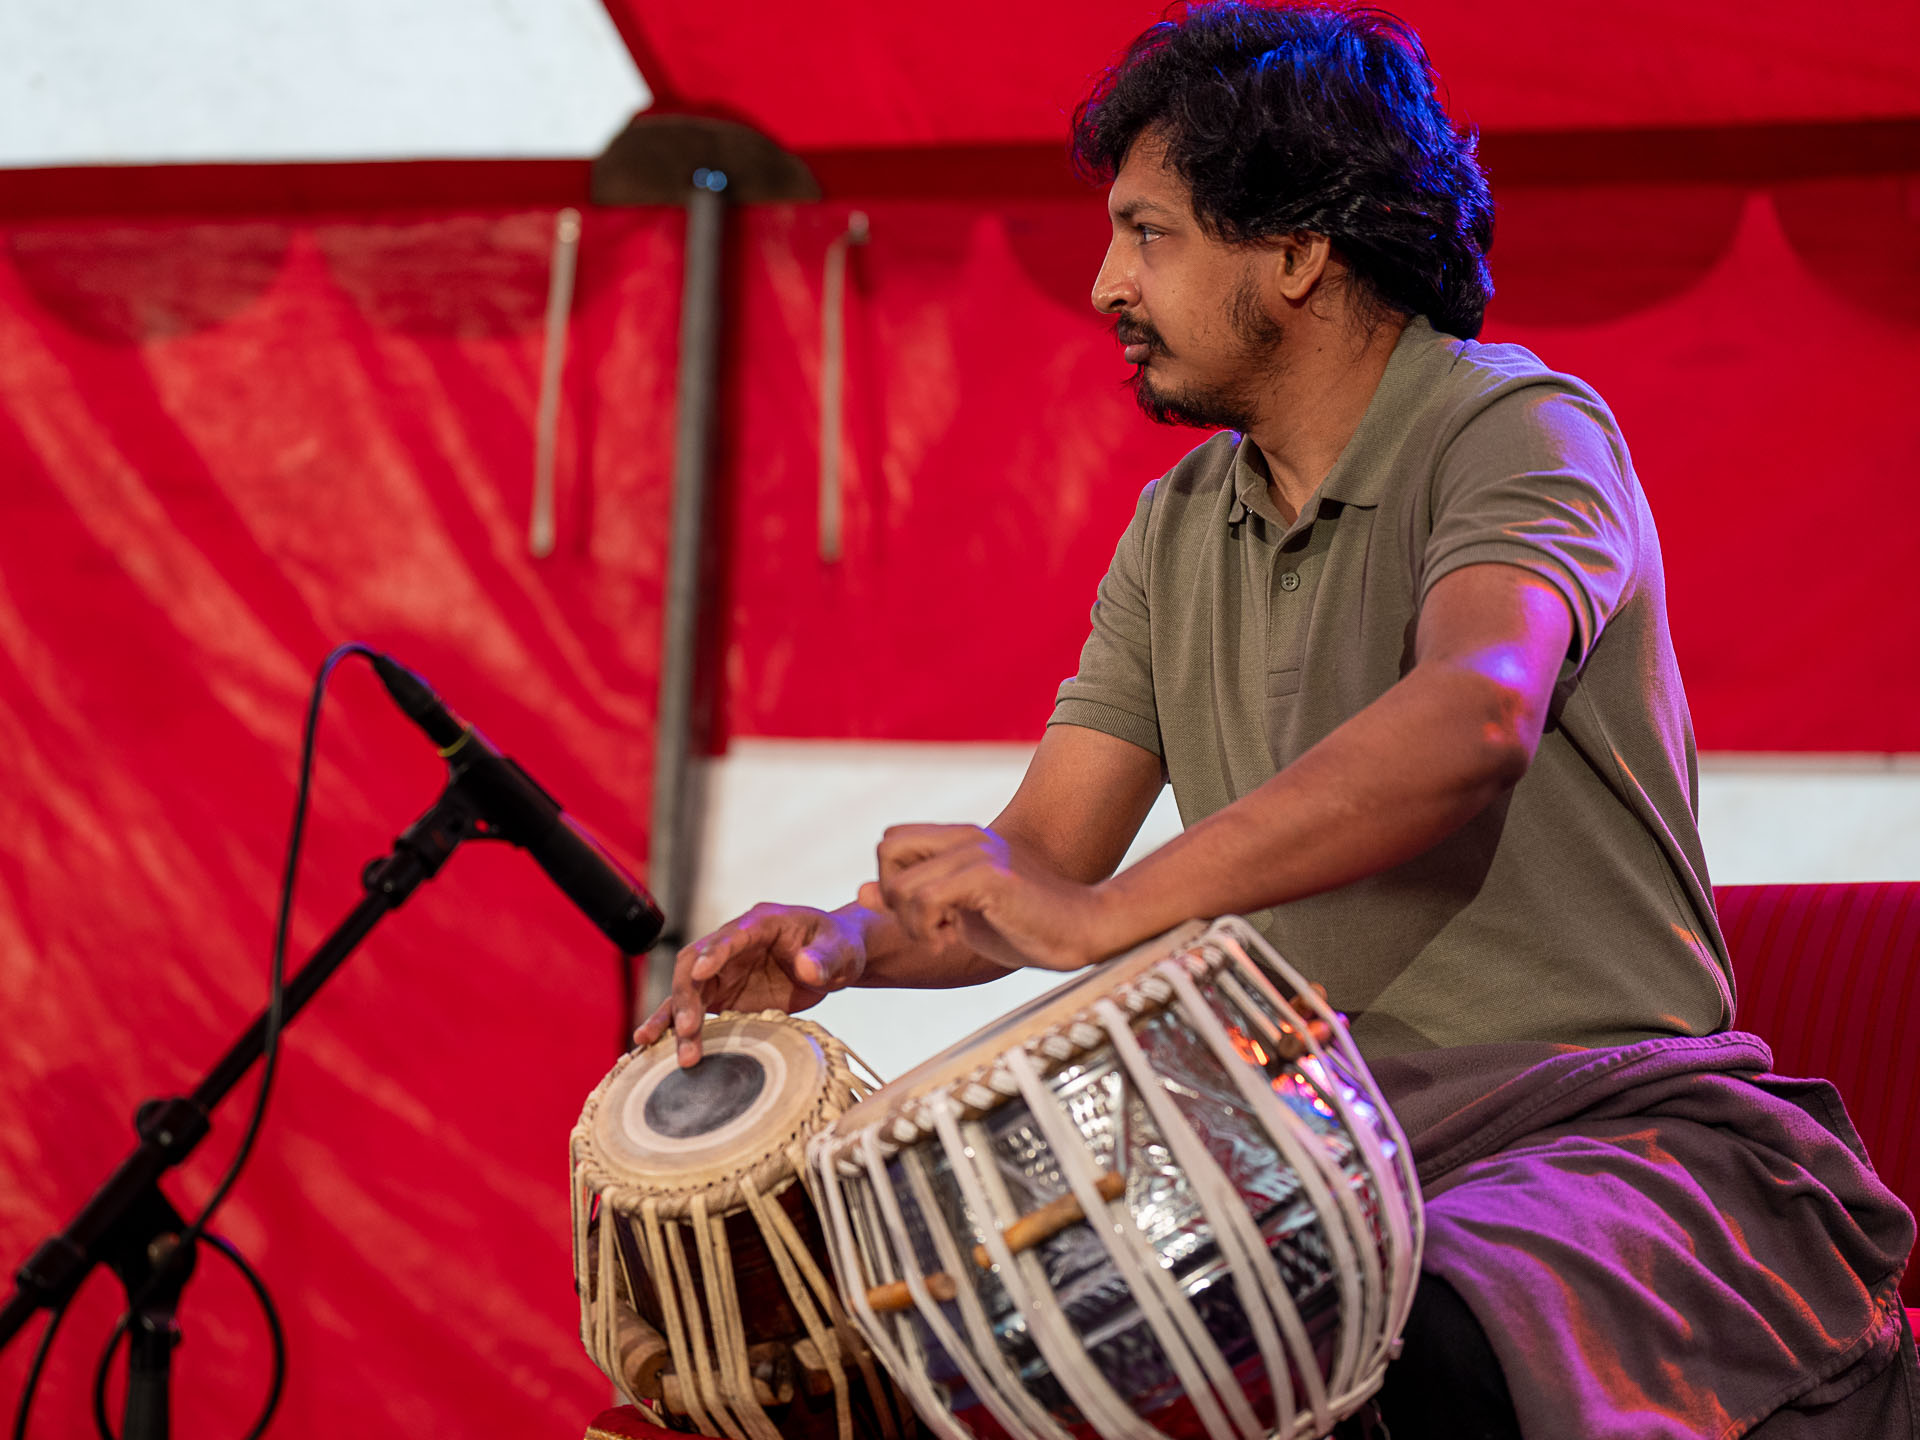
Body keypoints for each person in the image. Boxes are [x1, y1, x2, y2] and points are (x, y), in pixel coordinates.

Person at [636, 6, 1918, 1436]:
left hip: (1600, 1138)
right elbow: (1041, 855)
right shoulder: (1177, 527)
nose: (1107, 280)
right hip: (1308, 1149)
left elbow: (1472, 715)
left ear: (1300, 249)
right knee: (939, 1347)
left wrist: (1104, 920)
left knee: (1384, 1345)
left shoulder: (1516, 425)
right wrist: (843, 941)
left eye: (1150, 232)